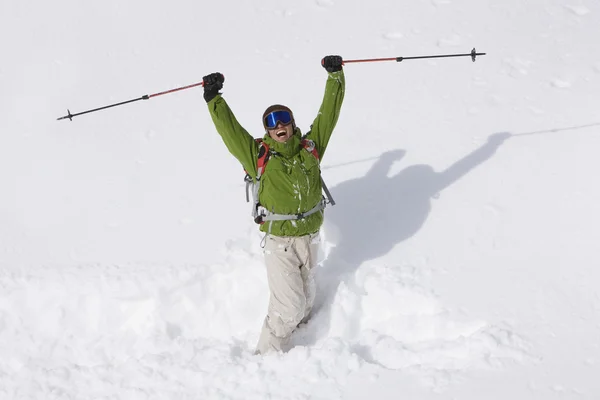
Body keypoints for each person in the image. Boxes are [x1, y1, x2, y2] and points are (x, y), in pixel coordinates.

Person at [202, 55, 345, 354]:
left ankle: (303, 345)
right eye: (271, 122)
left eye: (283, 119)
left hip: (309, 236)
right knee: (289, 307)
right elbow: (231, 132)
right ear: (266, 131)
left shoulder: (310, 149)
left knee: (306, 300)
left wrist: (335, 77)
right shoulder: (258, 156)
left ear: (292, 124)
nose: (278, 125)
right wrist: (214, 98)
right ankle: (266, 356)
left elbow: (328, 115)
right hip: (280, 241)